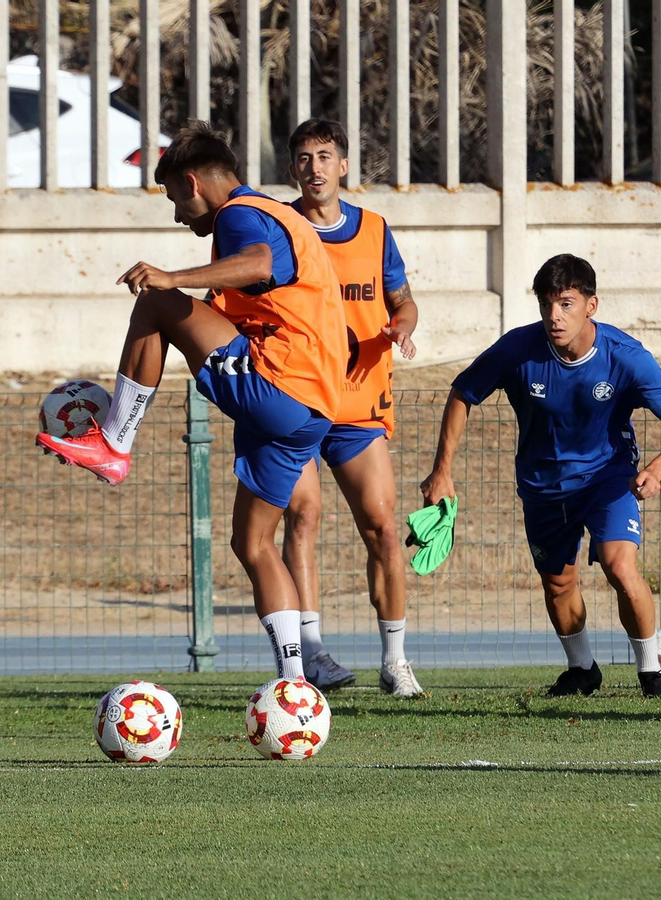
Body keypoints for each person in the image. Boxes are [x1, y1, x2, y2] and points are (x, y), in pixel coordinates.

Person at [37, 122, 346, 683]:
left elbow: (257, 262)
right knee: (251, 543)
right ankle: (298, 679)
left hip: (279, 382)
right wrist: (202, 300)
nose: (179, 215)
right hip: (314, 409)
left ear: (193, 182)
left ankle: (115, 441)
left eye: (175, 199)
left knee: (155, 302)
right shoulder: (281, 215)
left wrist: (171, 277)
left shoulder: (238, 214)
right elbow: (260, 288)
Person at [420, 254, 661, 698]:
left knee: (620, 566)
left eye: (566, 304)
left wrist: (656, 469)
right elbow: (462, 393)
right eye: (547, 304)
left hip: (608, 479)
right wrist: (442, 470)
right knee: (558, 582)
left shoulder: (625, 357)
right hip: (543, 487)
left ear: (591, 305)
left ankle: (651, 673)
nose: (555, 316)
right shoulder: (517, 350)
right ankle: (582, 669)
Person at [282, 119, 423, 697]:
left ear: (343, 165)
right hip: (294, 402)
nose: (315, 167)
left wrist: (401, 328)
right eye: (304, 156)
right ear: (293, 167)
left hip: (359, 407)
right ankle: (312, 655)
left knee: (385, 532)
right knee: (303, 519)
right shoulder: (279, 229)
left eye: (325, 155)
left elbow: (403, 299)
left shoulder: (374, 229)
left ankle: (395, 661)